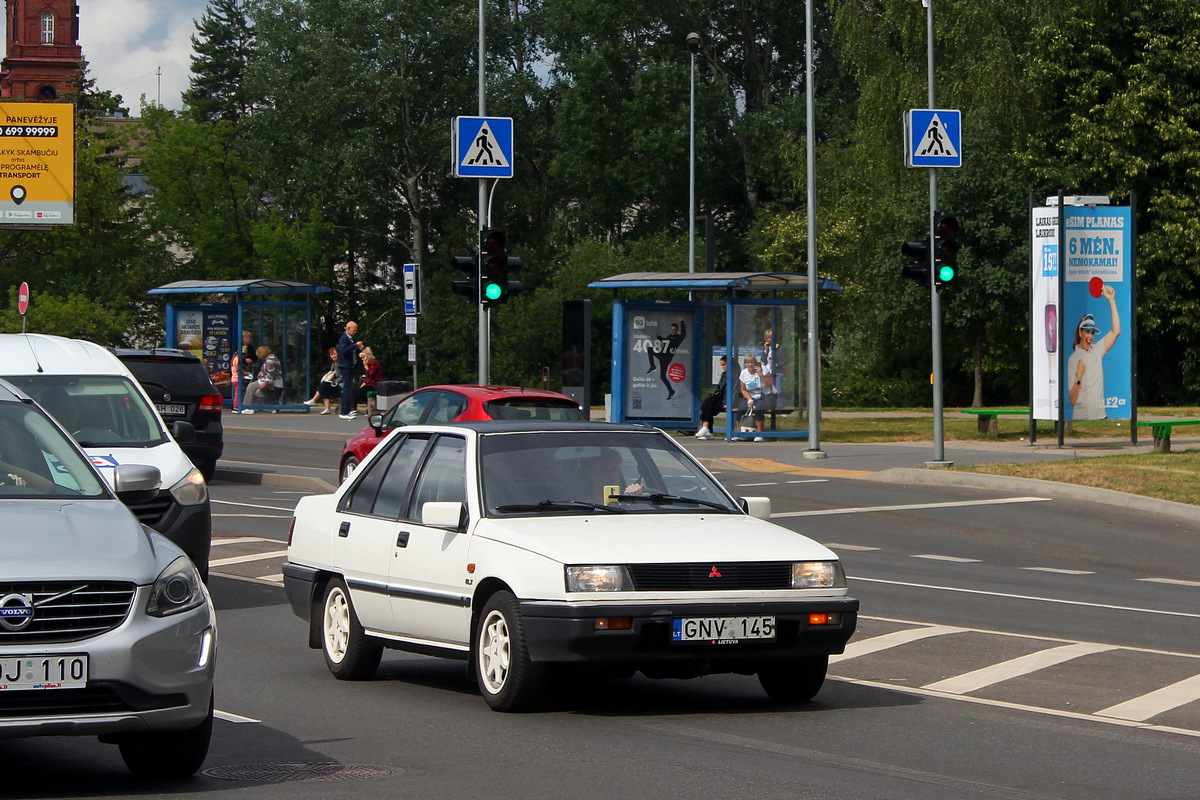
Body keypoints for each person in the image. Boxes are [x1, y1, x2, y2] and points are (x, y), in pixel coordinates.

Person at [1067, 284, 1120, 420]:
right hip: (1081, 419)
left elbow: (1116, 331)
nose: (1090, 336)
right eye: (1087, 332)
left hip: (1101, 417)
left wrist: (1111, 300)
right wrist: (1079, 376)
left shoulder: (1097, 350)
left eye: (1092, 332)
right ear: (1080, 332)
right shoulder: (1073, 359)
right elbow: (1072, 400)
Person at [647, 316, 687, 400]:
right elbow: (664, 341)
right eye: (671, 329)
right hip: (662, 355)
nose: (672, 331)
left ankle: (671, 391)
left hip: (666, 359)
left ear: (677, 330)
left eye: (674, 330)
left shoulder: (678, 338)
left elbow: (683, 334)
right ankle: (653, 366)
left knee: (662, 377)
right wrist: (659, 337)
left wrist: (682, 322)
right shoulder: (669, 336)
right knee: (650, 349)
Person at [337, 320, 364, 420]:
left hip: (350, 366)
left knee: (349, 389)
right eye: (354, 330)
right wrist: (355, 345)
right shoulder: (343, 338)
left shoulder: (350, 339)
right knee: (347, 389)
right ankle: (344, 411)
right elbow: (343, 350)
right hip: (345, 366)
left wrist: (358, 349)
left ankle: (347, 410)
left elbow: (350, 349)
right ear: (348, 329)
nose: (355, 332)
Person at [736, 353, 766, 441]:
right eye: (748, 363)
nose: (750, 365)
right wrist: (749, 399)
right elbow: (743, 389)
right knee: (740, 410)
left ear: (755, 363)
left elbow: (769, 384)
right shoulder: (743, 373)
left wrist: (761, 374)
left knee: (758, 410)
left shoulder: (760, 371)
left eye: (752, 362)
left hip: (761, 396)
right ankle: (739, 432)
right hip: (749, 396)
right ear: (745, 364)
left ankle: (759, 433)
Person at [696, 356, 727, 439]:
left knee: (709, 404)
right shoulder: (724, 374)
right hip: (721, 397)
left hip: (728, 400)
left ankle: (707, 429)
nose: (723, 367)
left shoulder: (735, 374)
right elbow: (720, 388)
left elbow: (734, 390)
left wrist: (726, 403)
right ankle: (706, 429)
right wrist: (715, 394)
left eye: (724, 365)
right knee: (707, 402)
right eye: (721, 365)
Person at [242, 346, 282, 411]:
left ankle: (247, 407)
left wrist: (265, 383)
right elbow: (270, 370)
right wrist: (262, 372)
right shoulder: (273, 357)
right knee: (259, 393)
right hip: (274, 381)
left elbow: (270, 374)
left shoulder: (269, 361)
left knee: (251, 387)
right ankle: (274, 405)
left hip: (271, 381)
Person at [304, 347, 341, 415]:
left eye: (335, 354)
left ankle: (314, 400)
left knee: (323, 386)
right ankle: (327, 409)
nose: (333, 356)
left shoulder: (342, 363)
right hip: (335, 383)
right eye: (331, 354)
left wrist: (335, 381)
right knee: (324, 387)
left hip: (342, 384)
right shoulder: (334, 364)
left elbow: (344, 376)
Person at [357, 347, 383, 415]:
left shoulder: (374, 363)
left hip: (375, 384)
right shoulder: (369, 364)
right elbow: (367, 378)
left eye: (363, 357)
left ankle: (372, 407)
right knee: (356, 390)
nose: (362, 359)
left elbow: (371, 375)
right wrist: (363, 384)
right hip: (370, 383)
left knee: (361, 391)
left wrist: (366, 366)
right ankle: (353, 409)